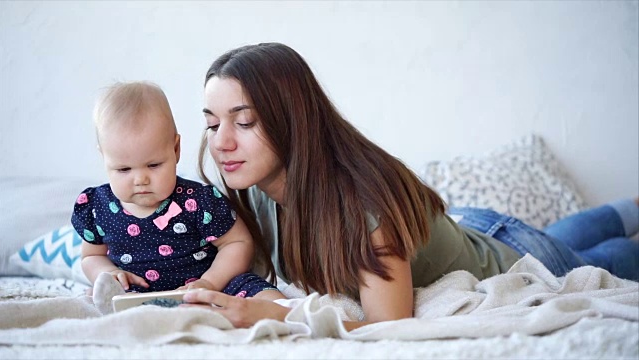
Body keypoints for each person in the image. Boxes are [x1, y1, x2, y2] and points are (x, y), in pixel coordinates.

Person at [181, 42, 639, 331]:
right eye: (211, 123)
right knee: (566, 235)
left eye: (243, 121)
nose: (221, 142)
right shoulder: (257, 193)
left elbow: (388, 326)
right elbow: (244, 274)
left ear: (293, 121)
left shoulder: (364, 203)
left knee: (602, 261)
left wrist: (283, 316)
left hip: (508, 254)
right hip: (467, 227)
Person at [71, 81, 281, 302]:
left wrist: (210, 281)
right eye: (123, 169)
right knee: (99, 300)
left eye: (153, 165)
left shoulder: (198, 201)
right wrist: (109, 274)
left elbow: (237, 243)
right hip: (136, 295)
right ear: (104, 158)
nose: (140, 179)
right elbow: (91, 256)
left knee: (262, 293)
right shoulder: (97, 207)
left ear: (175, 149)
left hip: (208, 286)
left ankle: (285, 312)